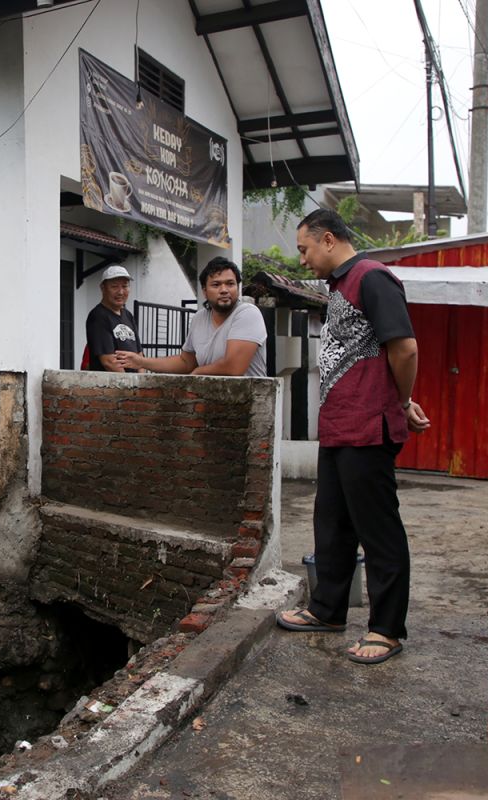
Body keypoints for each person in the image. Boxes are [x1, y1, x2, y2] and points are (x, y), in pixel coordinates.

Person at [276, 208, 430, 665]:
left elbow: (405, 347)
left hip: (368, 426)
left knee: (377, 529)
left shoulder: (372, 277)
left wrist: (399, 402)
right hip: (341, 425)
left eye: (304, 249)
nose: (302, 259)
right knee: (333, 524)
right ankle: (328, 610)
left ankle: (387, 628)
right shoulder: (341, 285)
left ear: (327, 239)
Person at [113, 257, 266, 377]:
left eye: (230, 284)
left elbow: (234, 367)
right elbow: (186, 363)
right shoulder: (199, 318)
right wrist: (141, 362)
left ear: (237, 288)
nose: (224, 290)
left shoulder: (247, 313)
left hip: (250, 407)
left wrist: (198, 372)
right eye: (216, 285)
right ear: (204, 291)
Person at [85, 265, 142, 372]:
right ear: (103, 288)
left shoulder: (128, 315)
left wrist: (141, 383)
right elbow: (109, 362)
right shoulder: (98, 316)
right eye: (114, 286)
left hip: (134, 384)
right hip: (112, 386)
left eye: (125, 286)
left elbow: (139, 355)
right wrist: (130, 386)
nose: (120, 292)